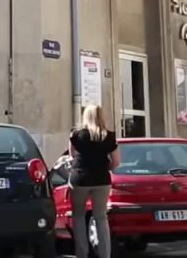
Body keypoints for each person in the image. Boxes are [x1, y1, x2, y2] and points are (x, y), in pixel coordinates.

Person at [69, 105, 120, 258]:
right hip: (102, 180)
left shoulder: (76, 135)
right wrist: (105, 167)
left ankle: (82, 254)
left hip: (80, 179)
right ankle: (105, 254)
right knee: (101, 217)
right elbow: (116, 162)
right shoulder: (109, 136)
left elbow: (72, 157)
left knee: (78, 216)